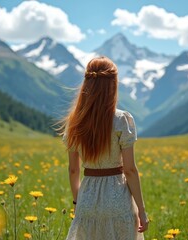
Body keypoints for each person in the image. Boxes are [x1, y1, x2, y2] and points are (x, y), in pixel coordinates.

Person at [59, 56, 148, 240]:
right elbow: (130, 170)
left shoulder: (75, 122)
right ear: (113, 86)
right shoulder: (122, 119)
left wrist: (77, 201)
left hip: (87, 199)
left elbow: (74, 170)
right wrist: (142, 209)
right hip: (118, 199)